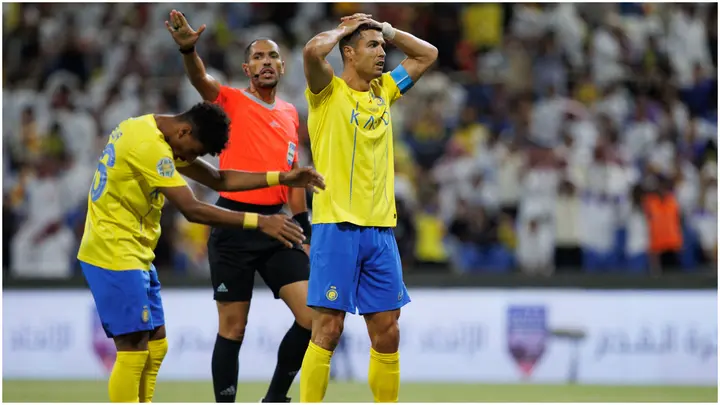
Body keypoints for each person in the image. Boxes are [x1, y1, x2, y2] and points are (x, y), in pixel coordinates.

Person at [76, 103, 325, 403]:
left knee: (156, 344)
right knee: (133, 345)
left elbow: (220, 180)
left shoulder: (149, 131)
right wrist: (260, 221)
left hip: (135, 252)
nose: (188, 159)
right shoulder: (149, 146)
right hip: (112, 252)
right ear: (184, 131)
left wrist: (281, 178)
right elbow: (192, 209)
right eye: (192, 151)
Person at [165, 10, 317, 403]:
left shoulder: (289, 114)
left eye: (273, 56)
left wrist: (306, 232)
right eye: (259, 57)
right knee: (233, 328)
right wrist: (188, 51)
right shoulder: (230, 99)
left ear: (282, 66)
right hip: (233, 222)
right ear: (246, 68)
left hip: (278, 225)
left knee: (313, 318)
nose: (266, 62)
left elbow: (293, 178)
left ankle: (274, 398)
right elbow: (201, 79)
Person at [299, 13, 438, 402]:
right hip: (336, 226)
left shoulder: (385, 90)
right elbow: (312, 51)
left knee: (388, 331)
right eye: (372, 46)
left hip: (380, 231)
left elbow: (427, 55)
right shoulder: (326, 92)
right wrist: (346, 27)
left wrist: (387, 30)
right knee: (327, 330)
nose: (382, 53)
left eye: (383, 47)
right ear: (348, 52)